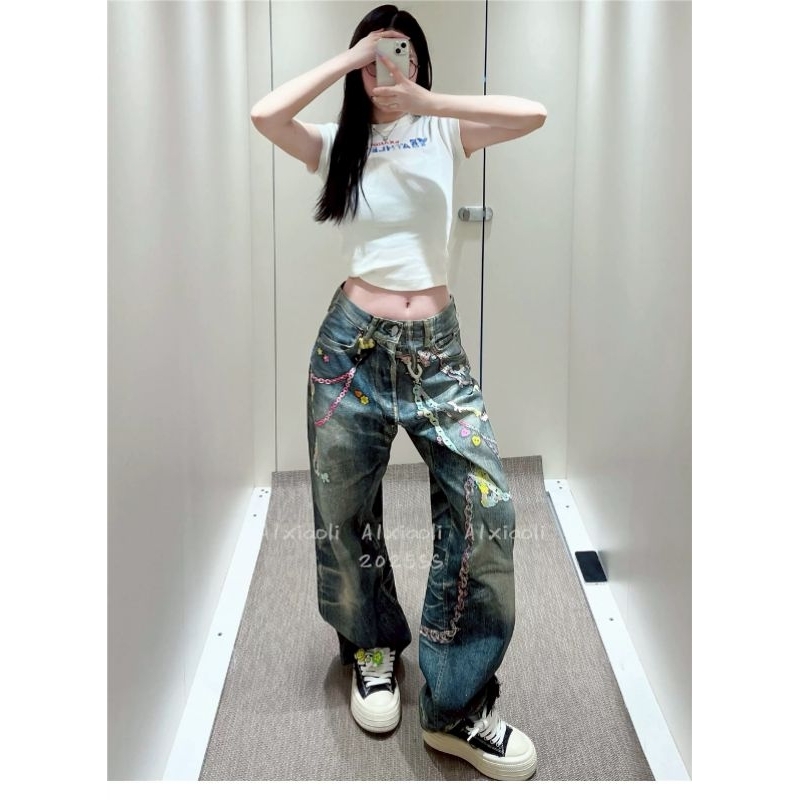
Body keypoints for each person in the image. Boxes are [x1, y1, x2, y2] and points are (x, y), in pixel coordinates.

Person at [250, 3, 546, 782]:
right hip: (350, 351)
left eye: (401, 50)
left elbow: (533, 114)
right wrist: (349, 64)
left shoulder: (446, 131)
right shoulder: (336, 145)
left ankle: (454, 707)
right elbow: (264, 115)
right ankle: (371, 648)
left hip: (435, 355)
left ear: (419, 62)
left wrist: (425, 101)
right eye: (376, 53)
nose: (388, 63)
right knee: (344, 513)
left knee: (487, 511)